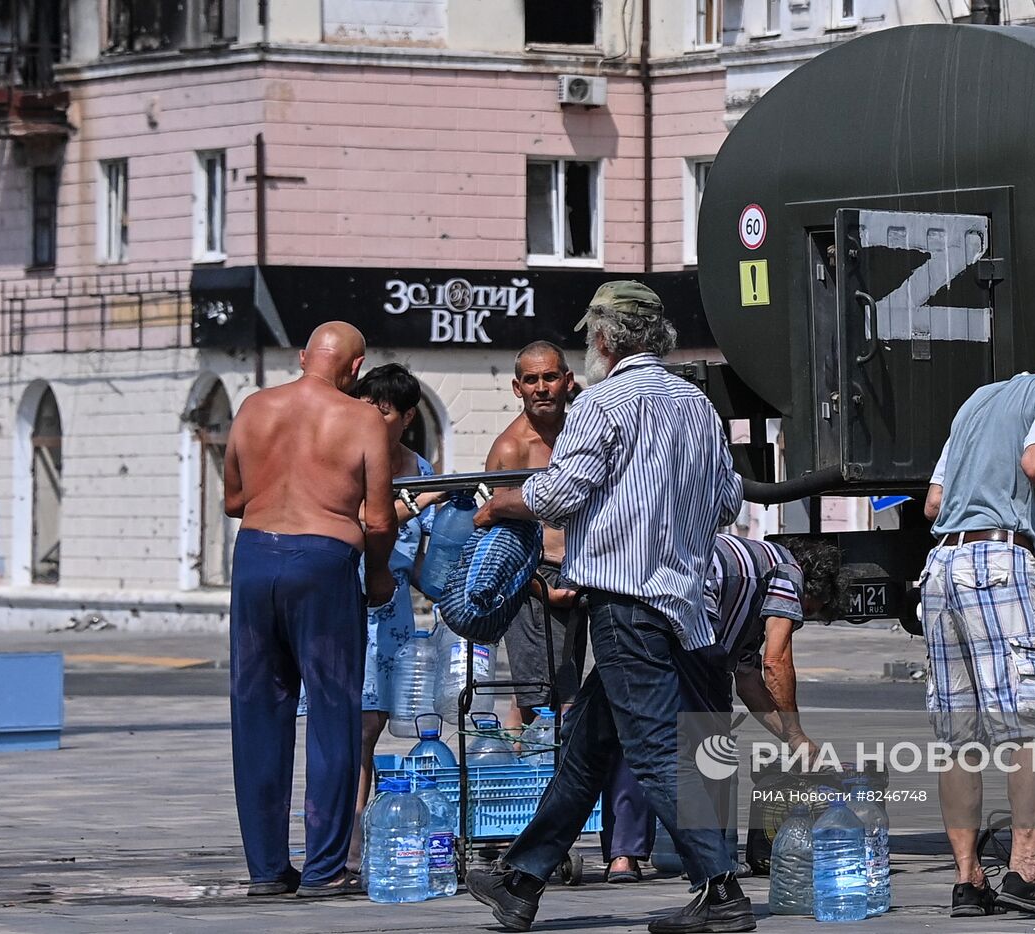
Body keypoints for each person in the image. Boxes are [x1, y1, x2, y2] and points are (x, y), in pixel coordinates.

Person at [464, 281, 751, 934]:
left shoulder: (600, 405)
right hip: (684, 602)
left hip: (625, 604)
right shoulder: (697, 406)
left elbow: (561, 493)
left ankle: (722, 889)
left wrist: (503, 502)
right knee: (590, 748)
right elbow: (729, 499)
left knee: (653, 749)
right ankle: (522, 880)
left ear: (602, 340)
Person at [918, 333, 1035, 919]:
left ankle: (968, 881)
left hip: (942, 568)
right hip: (997, 568)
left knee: (961, 736)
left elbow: (934, 503)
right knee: (1033, 721)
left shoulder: (977, 401)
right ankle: (1028, 873)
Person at [223, 322, 396, 898]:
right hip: (324, 563)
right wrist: (377, 576)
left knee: (257, 715)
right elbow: (377, 518)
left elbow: (232, 498)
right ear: (355, 368)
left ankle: (267, 870)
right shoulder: (362, 417)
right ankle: (324, 870)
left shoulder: (253, 408)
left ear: (302, 357)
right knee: (331, 712)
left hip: (253, 560)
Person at [602, 533, 841, 884]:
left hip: (636, 601)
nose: (797, 618)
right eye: (808, 610)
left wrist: (794, 740)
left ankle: (624, 857)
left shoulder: (748, 604)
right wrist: (796, 733)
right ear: (812, 587)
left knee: (640, 735)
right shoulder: (788, 571)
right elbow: (776, 663)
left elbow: (748, 680)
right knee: (712, 745)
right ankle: (710, 859)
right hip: (689, 616)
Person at [343, 364, 444, 871]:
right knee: (355, 723)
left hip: (396, 610)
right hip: (350, 601)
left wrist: (457, 599)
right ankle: (350, 831)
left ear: (405, 417)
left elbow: (424, 557)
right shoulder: (350, 461)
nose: (369, 416)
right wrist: (419, 501)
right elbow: (366, 523)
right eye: (364, 404)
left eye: (381, 409)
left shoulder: (420, 469)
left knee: (377, 721)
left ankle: (365, 824)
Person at [484, 341, 587, 742]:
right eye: (531, 380)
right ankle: (524, 782)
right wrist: (539, 587)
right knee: (535, 699)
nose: (541, 388)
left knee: (568, 691)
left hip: (582, 573)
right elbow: (495, 535)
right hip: (536, 581)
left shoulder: (581, 435)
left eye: (549, 377)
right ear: (517, 387)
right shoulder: (511, 449)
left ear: (567, 381)